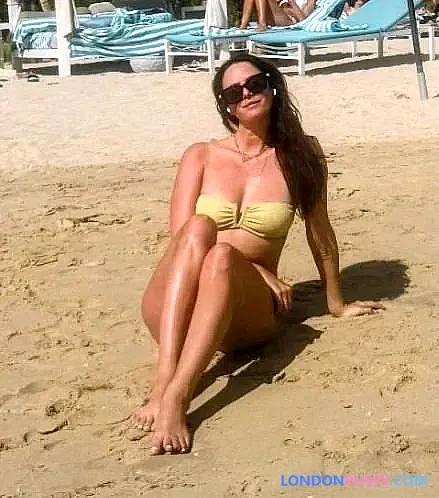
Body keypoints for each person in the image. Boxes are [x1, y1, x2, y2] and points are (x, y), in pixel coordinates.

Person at [131, 54, 384, 455]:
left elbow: (319, 231)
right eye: (234, 92)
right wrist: (262, 269)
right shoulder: (200, 155)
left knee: (221, 258)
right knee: (198, 227)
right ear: (226, 106)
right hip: (176, 303)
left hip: (246, 311)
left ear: (272, 86)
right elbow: (180, 240)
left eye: (255, 84)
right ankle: (163, 379)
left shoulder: (301, 155)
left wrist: (336, 303)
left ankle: (178, 395)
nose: (246, 94)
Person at [239, 0, 316, 30]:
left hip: (290, 20)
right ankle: (243, 25)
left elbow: (304, 20)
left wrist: (292, 2)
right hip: (278, 14)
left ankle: (262, 23)